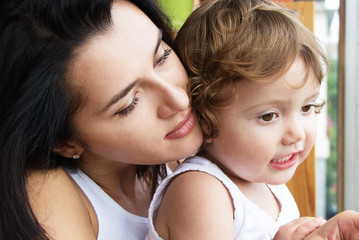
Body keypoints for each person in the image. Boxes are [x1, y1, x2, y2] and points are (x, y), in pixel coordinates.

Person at [146, 0, 359, 239]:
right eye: (268, 116)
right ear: (206, 120)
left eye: (307, 107)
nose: (297, 133)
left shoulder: (265, 181)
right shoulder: (201, 191)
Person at [0, 0, 203, 239]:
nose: (178, 100)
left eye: (162, 57)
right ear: (64, 142)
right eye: (129, 104)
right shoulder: (47, 194)